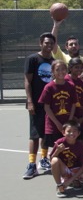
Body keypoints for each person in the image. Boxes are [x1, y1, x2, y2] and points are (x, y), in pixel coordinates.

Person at [23, 32, 55, 179]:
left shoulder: (53, 61)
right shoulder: (32, 59)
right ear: (40, 43)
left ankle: (43, 159)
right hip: (35, 102)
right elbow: (27, 81)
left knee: (46, 132)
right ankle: (31, 164)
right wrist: (30, 101)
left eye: (51, 43)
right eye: (46, 43)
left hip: (49, 103)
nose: (48, 45)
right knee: (35, 134)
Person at [38, 60, 77, 148]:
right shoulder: (49, 87)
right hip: (53, 125)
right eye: (57, 69)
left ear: (66, 70)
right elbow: (47, 107)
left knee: (67, 148)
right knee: (55, 149)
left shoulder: (71, 86)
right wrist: (57, 123)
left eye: (63, 69)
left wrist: (69, 121)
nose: (61, 72)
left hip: (67, 124)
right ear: (52, 71)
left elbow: (74, 104)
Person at [49, 120, 83, 198]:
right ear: (63, 132)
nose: (72, 133)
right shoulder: (59, 142)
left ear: (79, 133)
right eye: (69, 131)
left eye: (74, 131)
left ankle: (75, 180)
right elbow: (51, 160)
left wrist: (71, 180)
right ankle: (59, 185)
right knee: (55, 160)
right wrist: (57, 151)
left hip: (77, 170)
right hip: (65, 169)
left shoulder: (80, 146)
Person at [65, 57, 83, 147]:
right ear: (70, 68)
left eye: (81, 67)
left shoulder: (81, 82)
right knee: (70, 140)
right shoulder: (66, 80)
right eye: (76, 67)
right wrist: (72, 116)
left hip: (80, 115)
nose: (79, 69)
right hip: (70, 116)